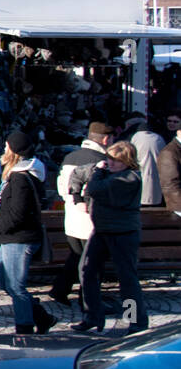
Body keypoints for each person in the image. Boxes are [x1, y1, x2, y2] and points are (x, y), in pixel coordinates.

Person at [70, 141, 149, 333]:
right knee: (86, 271)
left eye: (116, 161)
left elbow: (95, 189)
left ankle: (136, 321)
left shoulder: (130, 178)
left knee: (127, 278)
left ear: (127, 161)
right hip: (102, 230)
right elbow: (77, 174)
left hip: (123, 233)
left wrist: (96, 172)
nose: (111, 163)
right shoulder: (105, 172)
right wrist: (76, 197)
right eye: (110, 159)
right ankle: (92, 316)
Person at [0, 131, 57, 335]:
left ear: (14, 151)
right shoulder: (18, 174)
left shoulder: (20, 178)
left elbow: (17, 213)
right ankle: (41, 316)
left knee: (16, 286)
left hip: (19, 238)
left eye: (7, 146)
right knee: (1, 277)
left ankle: (25, 328)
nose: (4, 150)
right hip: (12, 237)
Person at [51, 122, 111, 306]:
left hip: (71, 218)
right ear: (106, 139)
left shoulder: (70, 156)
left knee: (76, 256)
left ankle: (60, 289)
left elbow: (62, 188)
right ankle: (88, 301)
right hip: (91, 220)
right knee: (92, 263)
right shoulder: (102, 160)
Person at [121, 113, 165, 206]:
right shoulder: (159, 138)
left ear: (128, 124)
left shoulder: (130, 138)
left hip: (135, 186)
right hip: (158, 187)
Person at [156, 108, 181, 210]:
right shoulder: (169, 150)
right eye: (169, 121)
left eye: (175, 122)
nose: (171, 124)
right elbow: (170, 184)